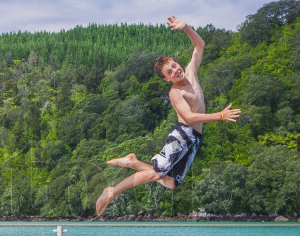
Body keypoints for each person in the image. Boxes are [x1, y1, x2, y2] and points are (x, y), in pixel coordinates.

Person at [96, 15, 241, 216]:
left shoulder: (191, 72)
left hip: (195, 139)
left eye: (174, 65)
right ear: (166, 79)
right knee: (156, 173)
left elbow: (200, 46)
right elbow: (189, 117)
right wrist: (220, 116)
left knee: (170, 183)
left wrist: (186, 28)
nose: (175, 70)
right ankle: (112, 191)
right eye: (170, 72)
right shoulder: (175, 93)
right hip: (183, 134)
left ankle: (133, 162)